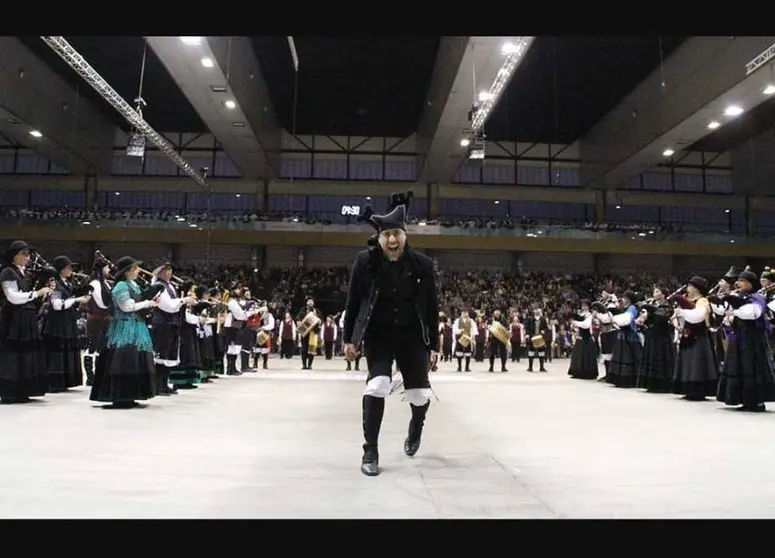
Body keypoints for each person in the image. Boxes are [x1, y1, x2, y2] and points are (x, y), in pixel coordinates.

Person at [343, 191, 439, 477]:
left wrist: (434, 344)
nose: (392, 241)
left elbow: (432, 308)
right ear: (380, 239)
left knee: (420, 395)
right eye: (387, 236)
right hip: (379, 335)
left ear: (405, 235)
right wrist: (349, 339)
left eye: (397, 234)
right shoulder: (365, 262)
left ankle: (416, 427)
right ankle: (370, 450)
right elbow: (353, 301)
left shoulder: (423, 265)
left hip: (412, 337)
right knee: (378, 385)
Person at [90, 256, 161, 408]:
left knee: (133, 361)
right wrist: (146, 303)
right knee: (125, 361)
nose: (137, 271)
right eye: (135, 268)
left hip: (136, 327)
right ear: (127, 271)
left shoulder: (133, 285)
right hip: (124, 328)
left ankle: (131, 395)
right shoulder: (121, 286)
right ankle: (121, 396)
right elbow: (126, 306)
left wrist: (150, 301)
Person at [716, 268, 775, 412]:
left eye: (743, 281)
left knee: (752, 366)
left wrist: (734, 311)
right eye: (739, 280)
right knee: (740, 366)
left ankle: (756, 401)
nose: (739, 283)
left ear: (750, 283)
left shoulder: (757, 297)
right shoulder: (738, 296)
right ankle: (743, 399)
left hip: (752, 340)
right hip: (738, 337)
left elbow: (753, 313)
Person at [0, 241, 51, 403]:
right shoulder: (8, 272)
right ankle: (11, 391)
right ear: (15, 256)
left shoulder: (23, 273)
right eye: (25, 254)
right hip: (14, 319)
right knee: (14, 355)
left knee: (25, 355)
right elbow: (12, 297)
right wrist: (36, 294)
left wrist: (42, 293)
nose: (28, 257)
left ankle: (23, 389)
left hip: (26, 318)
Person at [41, 255, 91, 392]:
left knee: (66, 352)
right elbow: (57, 305)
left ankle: (65, 381)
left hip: (67, 323)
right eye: (68, 267)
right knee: (57, 353)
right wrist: (77, 300)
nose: (71, 270)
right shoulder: (55, 284)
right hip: (56, 325)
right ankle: (54, 382)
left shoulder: (68, 283)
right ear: (61, 269)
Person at [671, 276, 719, 401]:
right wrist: (678, 324)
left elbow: (698, 316)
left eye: (690, 286)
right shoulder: (688, 299)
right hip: (688, 334)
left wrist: (682, 313)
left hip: (699, 336)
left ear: (696, 288)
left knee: (697, 362)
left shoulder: (702, 301)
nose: (687, 288)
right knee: (688, 362)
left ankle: (697, 390)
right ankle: (687, 388)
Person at [636, 285, 676, 393]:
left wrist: (651, 311)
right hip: (651, 333)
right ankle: (650, 383)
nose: (655, 293)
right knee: (650, 354)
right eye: (654, 291)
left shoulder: (666, 304)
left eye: (657, 291)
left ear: (663, 294)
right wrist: (643, 318)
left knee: (661, 355)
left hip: (662, 334)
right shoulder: (652, 303)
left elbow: (663, 316)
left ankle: (662, 384)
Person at [85, 257, 114, 387]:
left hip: (105, 319)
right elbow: (101, 302)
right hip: (96, 319)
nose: (109, 269)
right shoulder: (95, 283)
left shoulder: (105, 283)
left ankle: (99, 373)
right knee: (92, 347)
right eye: (107, 267)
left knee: (101, 347)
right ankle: (90, 376)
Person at [567, 301, 599, 380]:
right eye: (582, 306)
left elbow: (586, 325)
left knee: (586, 356)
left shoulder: (590, 316)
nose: (583, 307)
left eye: (585, 306)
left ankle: (587, 373)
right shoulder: (581, 315)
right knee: (578, 355)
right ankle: (577, 372)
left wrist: (575, 322)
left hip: (587, 338)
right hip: (580, 337)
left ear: (588, 307)